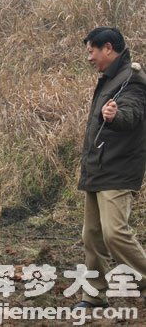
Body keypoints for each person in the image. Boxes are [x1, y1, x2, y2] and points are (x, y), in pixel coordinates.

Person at [75, 27, 146, 308]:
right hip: (98, 167)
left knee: (114, 233)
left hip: (118, 169)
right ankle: (93, 295)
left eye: (92, 51)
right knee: (91, 235)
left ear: (107, 48)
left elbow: (132, 114)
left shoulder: (132, 80)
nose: (89, 57)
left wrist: (116, 116)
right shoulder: (110, 79)